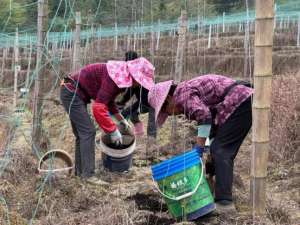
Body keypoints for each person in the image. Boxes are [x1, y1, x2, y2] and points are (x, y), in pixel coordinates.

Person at [147, 74, 253, 212]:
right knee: (214, 152)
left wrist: (199, 147)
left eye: (166, 111)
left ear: (168, 99)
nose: (170, 114)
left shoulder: (182, 95)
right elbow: (208, 124)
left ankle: (224, 203)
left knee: (221, 151)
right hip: (233, 105)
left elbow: (204, 115)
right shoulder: (183, 94)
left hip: (240, 101)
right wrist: (206, 149)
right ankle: (211, 192)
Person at [60, 57, 154, 182]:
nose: (139, 85)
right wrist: (112, 130)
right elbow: (98, 107)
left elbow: (108, 101)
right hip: (71, 91)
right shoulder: (114, 77)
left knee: (82, 135)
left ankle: (80, 173)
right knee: (88, 132)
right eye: (140, 81)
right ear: (134, 76)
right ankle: (89, 176)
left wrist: (120, 119)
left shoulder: (119, 76)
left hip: (72, 91)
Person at [117, 51, 157, 137]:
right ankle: (135, 134)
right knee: (127, 113)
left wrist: (122, 101)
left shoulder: (138, 72)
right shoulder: (134, 71)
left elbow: (130, 92)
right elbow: (130, 92)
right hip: (142, 101)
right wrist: (121, 102)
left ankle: (151, 141)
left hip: (151, 100)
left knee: (151, 123)